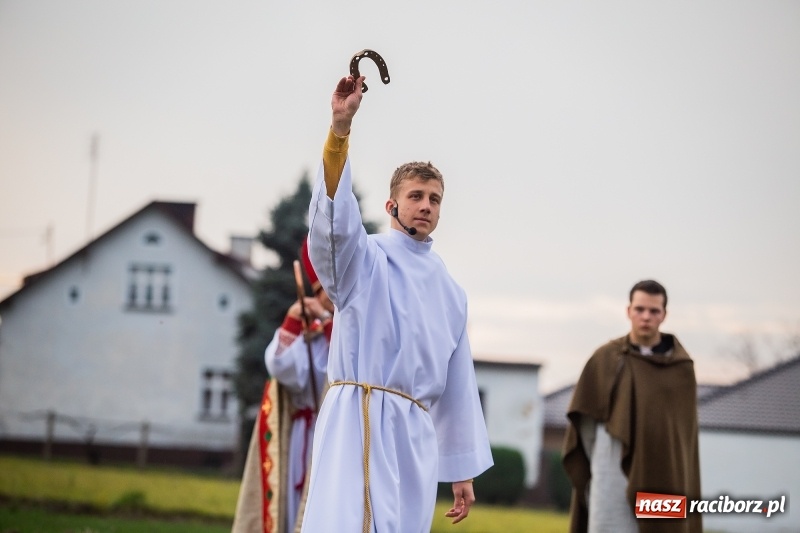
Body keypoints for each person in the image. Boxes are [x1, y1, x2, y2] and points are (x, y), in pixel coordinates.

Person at [301, 74, 492, 533]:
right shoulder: (366, 260)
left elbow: (458, 382)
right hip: (357, 419)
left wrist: (460, 468)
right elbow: (335, 231)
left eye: (434, 199)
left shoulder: (450, 291)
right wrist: (339, 131)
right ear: (392, 205)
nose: (425, 206)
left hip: (414, 436)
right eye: (415, 196)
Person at [562, 280, 702, 533]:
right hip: (610, 464)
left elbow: (683, 437)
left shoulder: (681, 368)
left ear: (664, 315)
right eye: (640, 309)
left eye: (654, 311)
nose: (646, 316)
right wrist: (603, 458)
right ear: (629, 311)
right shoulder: (606, 358)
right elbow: (586, 425)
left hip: (664, 468)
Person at [232, 239, 332, 533]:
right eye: (326, 295)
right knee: (292, 506)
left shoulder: (349, 332)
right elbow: (280, 368)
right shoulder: (308, 336)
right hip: (305, 432)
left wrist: (329, 323)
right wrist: (291, 323)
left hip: (337, 433)